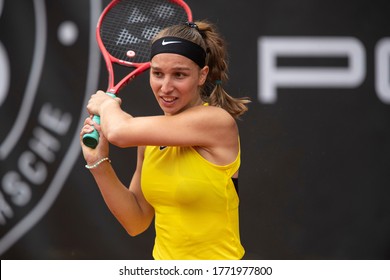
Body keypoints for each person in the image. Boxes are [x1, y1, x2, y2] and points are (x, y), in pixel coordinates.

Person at [80, 20, 250, 260]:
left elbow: (119, 132)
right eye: (157, 73)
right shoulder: (148, 139)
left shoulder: (216, 122)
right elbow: (136, 221)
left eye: (179, 75)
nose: (165, 87)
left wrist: (106, 105)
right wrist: (99, 163)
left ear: (202, 76)